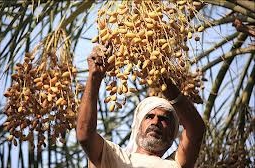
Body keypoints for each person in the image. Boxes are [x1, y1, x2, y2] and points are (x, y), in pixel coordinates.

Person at [76, 45, 206, 168]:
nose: (155, 122)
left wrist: (164, 81)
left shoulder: (175, 164)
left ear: (172, 134)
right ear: (138, 126)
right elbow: (85, 134)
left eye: (164, 119)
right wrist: (95, 76)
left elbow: (196, 130)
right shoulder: (114, 157)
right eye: (149, 116)